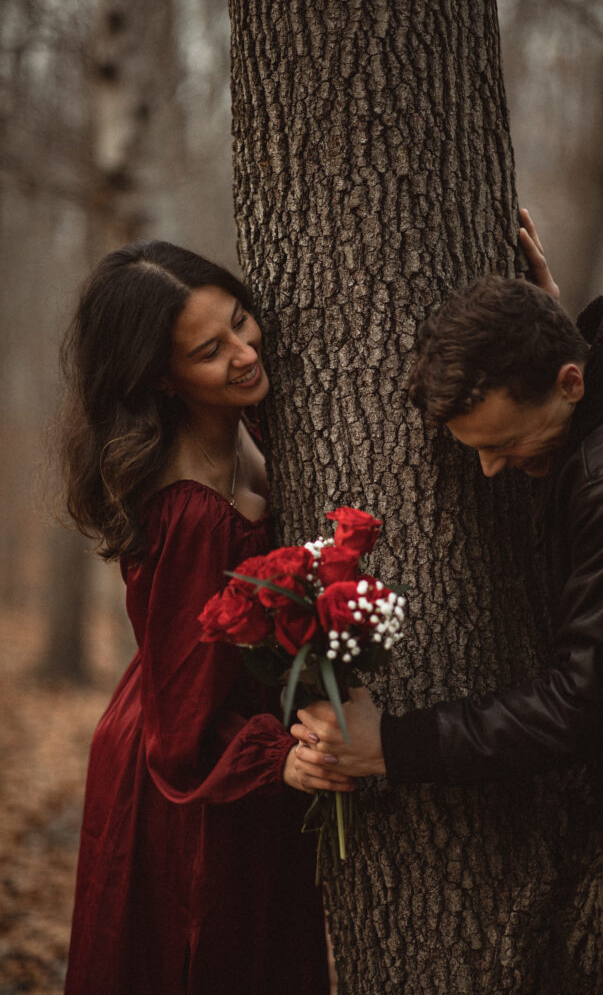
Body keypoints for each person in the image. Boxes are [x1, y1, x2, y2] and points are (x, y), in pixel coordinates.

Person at [60, 241, 351, 995]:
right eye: (209, 350)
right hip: (186, 769)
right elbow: (181, 719)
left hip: (226, 734)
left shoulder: (244, 427)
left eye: (241, 321)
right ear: (161, 378)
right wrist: (272, 759)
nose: (246, 352)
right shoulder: (188, 510)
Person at [291, 215, 603, 789]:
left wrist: (392, 746)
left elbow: (585, 700)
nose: (489, 468)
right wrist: (545, 316)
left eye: (504, 442)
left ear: (572, 383)